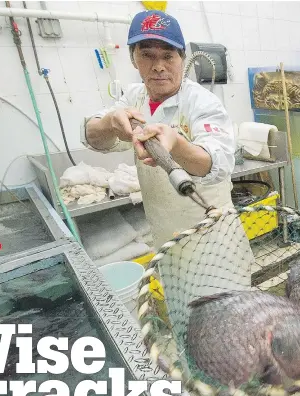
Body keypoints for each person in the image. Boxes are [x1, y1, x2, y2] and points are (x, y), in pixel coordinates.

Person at [81, 10, 238, 250]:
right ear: (134, 58)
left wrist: (177, 144)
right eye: (147, 56)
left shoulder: (202, 102)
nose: (158, 67)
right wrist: (110, 122)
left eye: (168, 56)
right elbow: (92, 137)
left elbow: (219, 162)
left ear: (181, 59)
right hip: (165, 235)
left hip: (212, 236)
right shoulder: (134, 97)